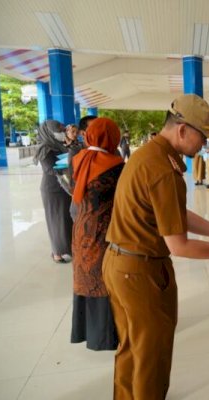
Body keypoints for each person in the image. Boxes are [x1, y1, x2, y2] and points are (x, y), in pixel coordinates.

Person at [102, 94, 209, 399]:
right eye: (203, 137)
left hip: (121, 264)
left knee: (131, 351)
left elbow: (174, 213)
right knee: (151, 357)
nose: (206, 145)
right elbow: (180, 246)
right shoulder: (163, 168)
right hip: (141, 271)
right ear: (183, 130)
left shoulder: (149, 154)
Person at [70, 117, 124, 351]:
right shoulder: (116, 164)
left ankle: (88, 332)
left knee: (86, 275)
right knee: (104, 278)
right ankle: (106, 336)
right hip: (103, 231)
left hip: (81, 227)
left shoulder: (78, 158)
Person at [33, 120, 73, 264]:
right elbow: (49, 169)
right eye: (58, 131)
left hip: (65, 187)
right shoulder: (44, 148)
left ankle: (68, 248)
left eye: (62, 130)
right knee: (56, 221)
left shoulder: (60, 145)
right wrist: (66, 165)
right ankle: (57, 253)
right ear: (49, 132)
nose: (61, 133)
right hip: (52, 190)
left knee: (66, 219)